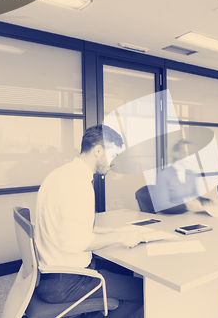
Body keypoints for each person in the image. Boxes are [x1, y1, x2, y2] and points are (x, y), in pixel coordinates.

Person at [33, 125, 144, 318]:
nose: (114, 162)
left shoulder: (59, 174)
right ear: (99, 150)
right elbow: (77, 242)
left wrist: (114, 234)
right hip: (67, 282)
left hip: (49, 273)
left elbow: (69, 229)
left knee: (120, 269)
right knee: (142, 292)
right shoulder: (78, 184)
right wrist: (120, 238)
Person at [153, 139, 210, 213]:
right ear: (176, 154)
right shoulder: (164, 176)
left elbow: (196, 197)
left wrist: (210, 201)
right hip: (171, 218)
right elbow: (162, 206)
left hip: (189, 215)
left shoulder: (191, 174)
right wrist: (186, 205)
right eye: (186, 153)